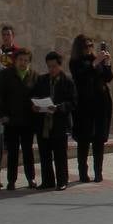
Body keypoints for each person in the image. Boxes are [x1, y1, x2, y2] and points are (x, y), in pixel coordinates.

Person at [69, 35, 113, 183]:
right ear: (79, 48)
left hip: (100, 104)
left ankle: (98, 173)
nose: (89, 49)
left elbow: (108, 77)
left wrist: (107, 63)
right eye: (86, 46)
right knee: (84, 140)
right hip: (84, 106)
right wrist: (95, 63)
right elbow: (81, 77)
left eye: (90, 46)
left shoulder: (96, 60)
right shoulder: (76, 62)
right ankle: (83, 173)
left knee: (99, 140)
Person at [32, 51, 77, 191]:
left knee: (59, 154)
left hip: (60, 123)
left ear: (59, 65)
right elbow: (35, 96)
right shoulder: (42, 80)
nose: (51, 69)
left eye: (54, 66)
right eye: (49, 66)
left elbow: (73, 103)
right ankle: (47, 180)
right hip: (44, 123)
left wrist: (58, 107)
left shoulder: (67, 81)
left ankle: (62, 180)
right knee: (44, 153)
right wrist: (35, 106)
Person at [0, 48, 39, 190]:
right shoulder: (6, 75)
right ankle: (11, 180)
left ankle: (31, 178)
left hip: (28, 120)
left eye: (26, 60)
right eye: (20, 60)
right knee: (12, 152)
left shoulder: (34, 76)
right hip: (11, 120)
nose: (23, 63)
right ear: (15, 60)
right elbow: (0, 97)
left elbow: (37, 97)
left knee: (28, 151)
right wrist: (3, 115)